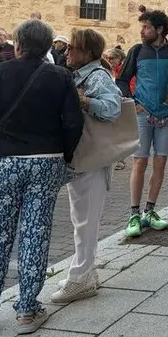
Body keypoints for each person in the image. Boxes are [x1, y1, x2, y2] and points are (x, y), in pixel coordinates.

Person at [0, 19, 84, 337]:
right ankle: (28, 309)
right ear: (47, 47)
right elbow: (73, 121)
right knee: (35, 234)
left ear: (17, 45)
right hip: (46, 159)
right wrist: (65, 154)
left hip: (4, 161)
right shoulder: (60, 76)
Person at [51, 28, 123, 304]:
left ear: (88, 52)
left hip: (92, 157)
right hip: (84, 156)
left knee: (85, 220)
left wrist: (83, 100)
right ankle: (85, 272)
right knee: (81, 217)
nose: (67, 52)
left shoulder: (97, 76)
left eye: (73, 47)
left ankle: (80, 278)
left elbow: (112, 108)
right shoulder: (82, 74)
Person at [120, 9, 168, 238]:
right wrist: (134, 103)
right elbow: (122, 79)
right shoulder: (137, 51)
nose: (142, 31)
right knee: (139, 162)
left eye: (146, 27)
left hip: (167, 113)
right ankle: (134, 214)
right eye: (142, 27)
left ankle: (150, 211)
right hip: (143, 114)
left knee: (160, 162)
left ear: (160, 29)